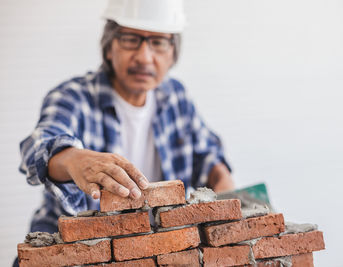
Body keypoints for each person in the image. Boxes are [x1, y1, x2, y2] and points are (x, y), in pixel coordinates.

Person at [18, 0, 233, 239]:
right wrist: (71, 159)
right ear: (109, 47)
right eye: (130, 39)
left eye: (159, 42)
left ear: (173, 53)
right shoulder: (74, 97)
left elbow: (208, 157)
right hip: (71, 246)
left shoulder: (175, 97)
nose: (144, 57)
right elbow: (35, 149)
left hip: (156, 248)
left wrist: (222, 183)